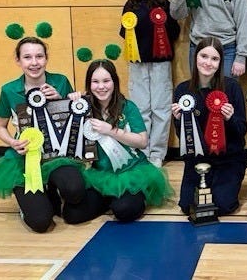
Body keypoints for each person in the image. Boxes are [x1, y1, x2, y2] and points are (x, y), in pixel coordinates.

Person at [0, 37, 85, 233]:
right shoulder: (9, 90)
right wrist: (13, 142)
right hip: (26, 158)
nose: (34, 62)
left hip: (57, 155)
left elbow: (73, 123)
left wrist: (60, 100)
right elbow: (0, 127)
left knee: (75, 191)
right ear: (18, 61)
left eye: (39, 56)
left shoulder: (60, 81)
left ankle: (52, 189)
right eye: (27, 57)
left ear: (46, 58)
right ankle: (32, 203)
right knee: (41, 222)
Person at [62, 59, 173, 223]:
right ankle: (109, 200)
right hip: (101, 174)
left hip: (131, 171)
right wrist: (69, 103)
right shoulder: (83, 108)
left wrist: (111, 131)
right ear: (89, 84)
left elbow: (142, 141)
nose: (101, 87)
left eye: (106, 81)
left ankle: (133, 197)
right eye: (95, 82)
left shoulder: (128, 107)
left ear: (114, 82)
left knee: (124, 210)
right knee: (72, 215)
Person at [172, 36, 247, 216]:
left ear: (220, 63)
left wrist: (230, 118)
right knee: (188, 206)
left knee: (222, 206)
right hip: (198, 159)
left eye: (214, 59)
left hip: (228, 158)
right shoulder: (183, 91)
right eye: (204, 56)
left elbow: (242, 131)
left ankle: (229, 180)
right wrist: (178, 120)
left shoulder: (232, 88)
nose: (208, 63)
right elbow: (183, 137)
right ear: (195, 57)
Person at [119, 0, 180, 168]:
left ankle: (157, 153)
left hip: (161, 64)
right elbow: (124, 33)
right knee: (141, 108)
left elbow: (175, 32)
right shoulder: (130, 5)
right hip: (137, 63)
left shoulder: (164, 5)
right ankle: (142, 150)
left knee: (161, 109)